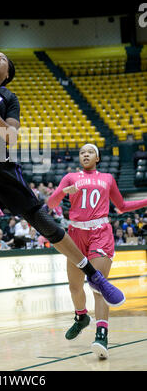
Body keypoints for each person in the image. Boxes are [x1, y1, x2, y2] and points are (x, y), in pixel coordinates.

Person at [0, 0, 126, 312]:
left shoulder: (9, 97)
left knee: (39, 217)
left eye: (2, 58)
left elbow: (12, 137)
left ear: (7, 74)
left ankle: (94, 275)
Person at [48, 143, 147, 359]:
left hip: (99, 232)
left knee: (98, 285)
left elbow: (121, 206)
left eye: (90, 152)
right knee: (74, 287)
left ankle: (101, 335)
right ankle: (81, 317)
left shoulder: (108, 179)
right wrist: (64, 192)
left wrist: (145, 201)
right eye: (82, 152)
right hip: (75, 234)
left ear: (98, 157)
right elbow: (51, 202)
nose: (85, 154)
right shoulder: (70, 178)